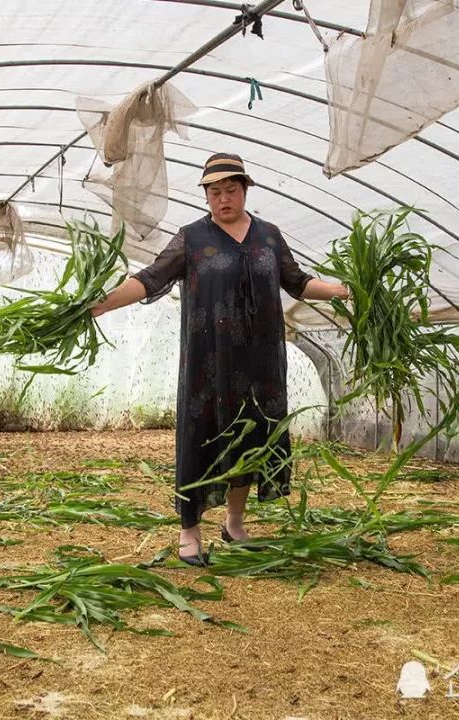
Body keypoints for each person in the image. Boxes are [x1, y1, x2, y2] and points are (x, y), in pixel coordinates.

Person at [90, 152, 349, 566]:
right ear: (206, 196)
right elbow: (150, 278)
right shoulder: (193, 238)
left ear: (245, 190)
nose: (223, 199)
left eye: (231, 190)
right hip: (208, 362)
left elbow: (297, 283)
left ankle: (234, 523)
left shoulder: (269, 236)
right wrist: (105, 303)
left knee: (250, 439)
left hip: (262, 361)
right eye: (215, 192)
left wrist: (339, 290)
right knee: (202, 437)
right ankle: (189, 533)